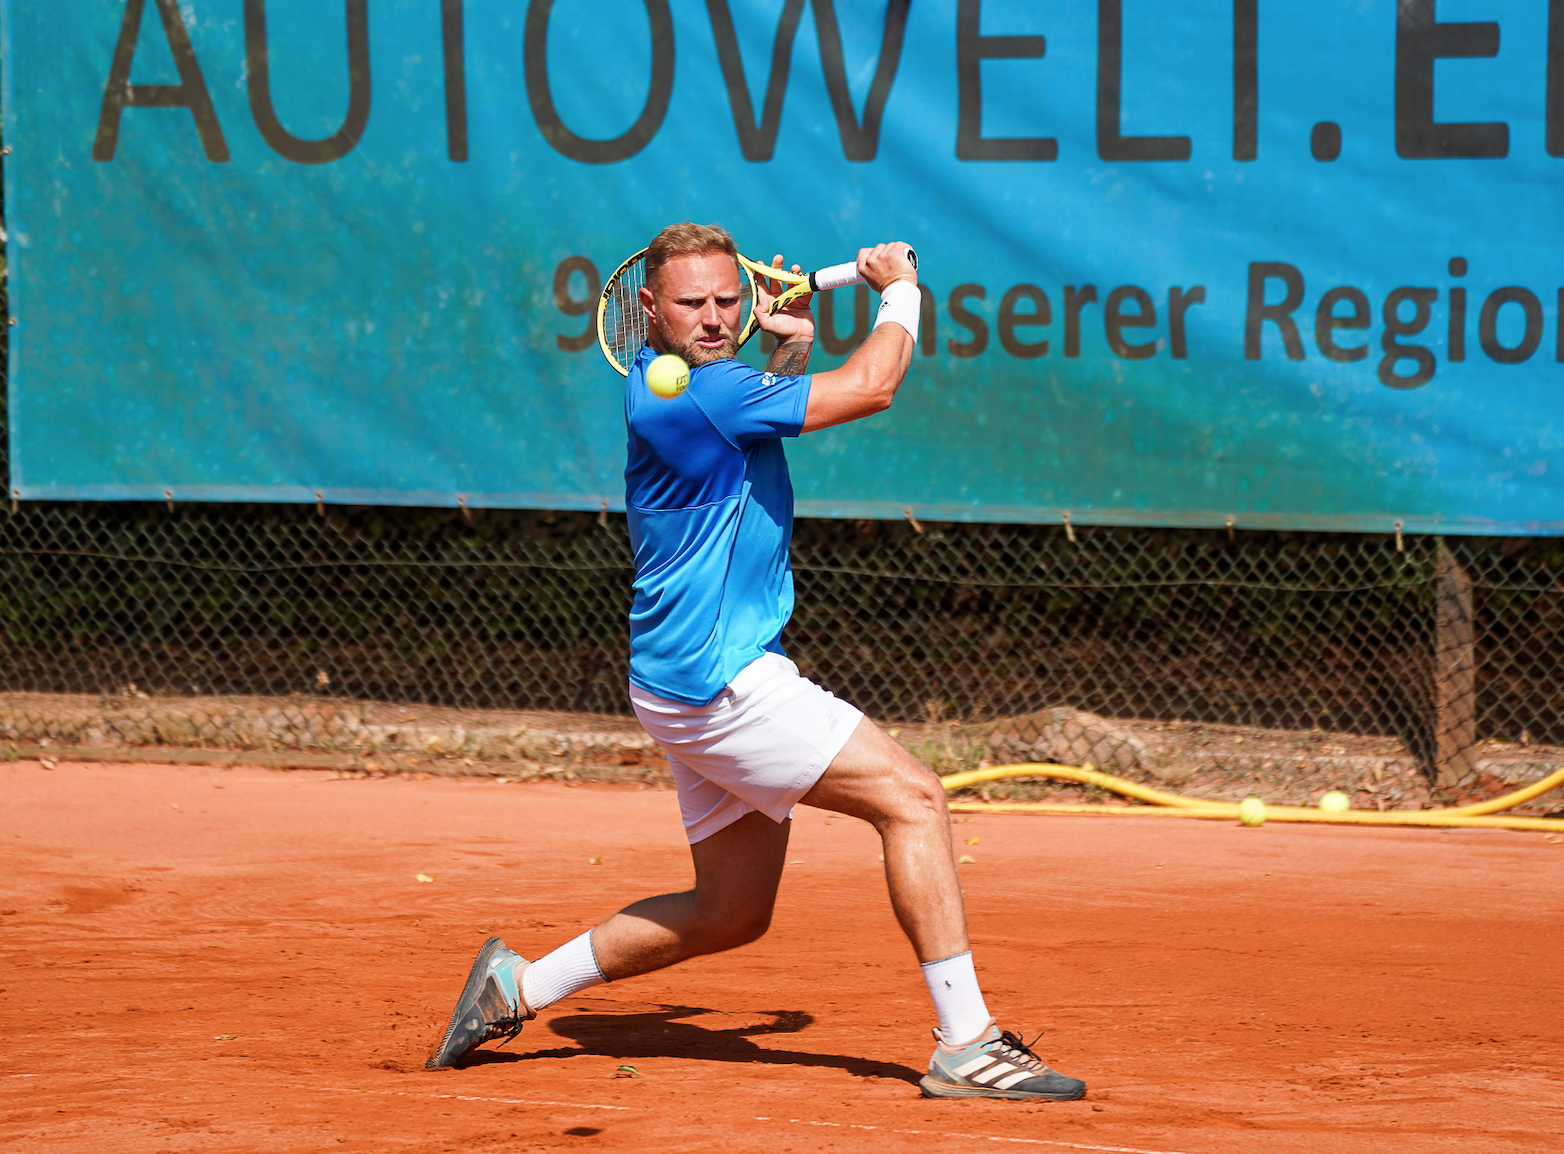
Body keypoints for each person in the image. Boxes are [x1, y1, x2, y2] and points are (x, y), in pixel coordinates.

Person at [426, 223, 1085, 1102]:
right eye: (691, 304)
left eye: (726, 300)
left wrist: (784, 358)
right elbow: (874, 385)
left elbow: (743, 443)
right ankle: (967, 1044)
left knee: (730, 912)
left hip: (677, 680)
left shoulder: (703, 392)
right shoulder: (706, 394)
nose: (711, 317)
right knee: (916, 800)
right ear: (647, 311)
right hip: (723, 680)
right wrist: (899, 287)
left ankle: (520, 985)